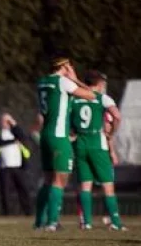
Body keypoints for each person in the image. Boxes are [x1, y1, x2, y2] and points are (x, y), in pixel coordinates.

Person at [34, 57, 96, 231]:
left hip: (45, 135)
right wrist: (75, 79)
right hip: (59, 136)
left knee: (47, 180)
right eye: (69, 65)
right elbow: (92, 96)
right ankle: (52, 222)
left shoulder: (42, 82)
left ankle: (39, 222)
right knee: (59, 180)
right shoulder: (63, 82)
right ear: (64, 67)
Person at [70, 71, 125, 231]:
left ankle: (86, 222)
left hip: (79, 143)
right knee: (108, 185)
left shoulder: (74, 99)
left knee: (85, 185)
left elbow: (70, 125)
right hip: (97, 142)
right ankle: (115, 222)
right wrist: (111, 133)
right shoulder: (102, 98)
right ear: (100, 84)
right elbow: (117, 116)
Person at [0, 113, 32, 216]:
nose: (6, 123)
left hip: (17, 166)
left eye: (8, 121)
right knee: (5, 191)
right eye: (4, 121)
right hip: (4, 166)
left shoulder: (15, 131)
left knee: (23, 189)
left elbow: (22, 136)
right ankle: (6, 212)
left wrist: (14, 124)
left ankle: (27, 211)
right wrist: (13, 141)